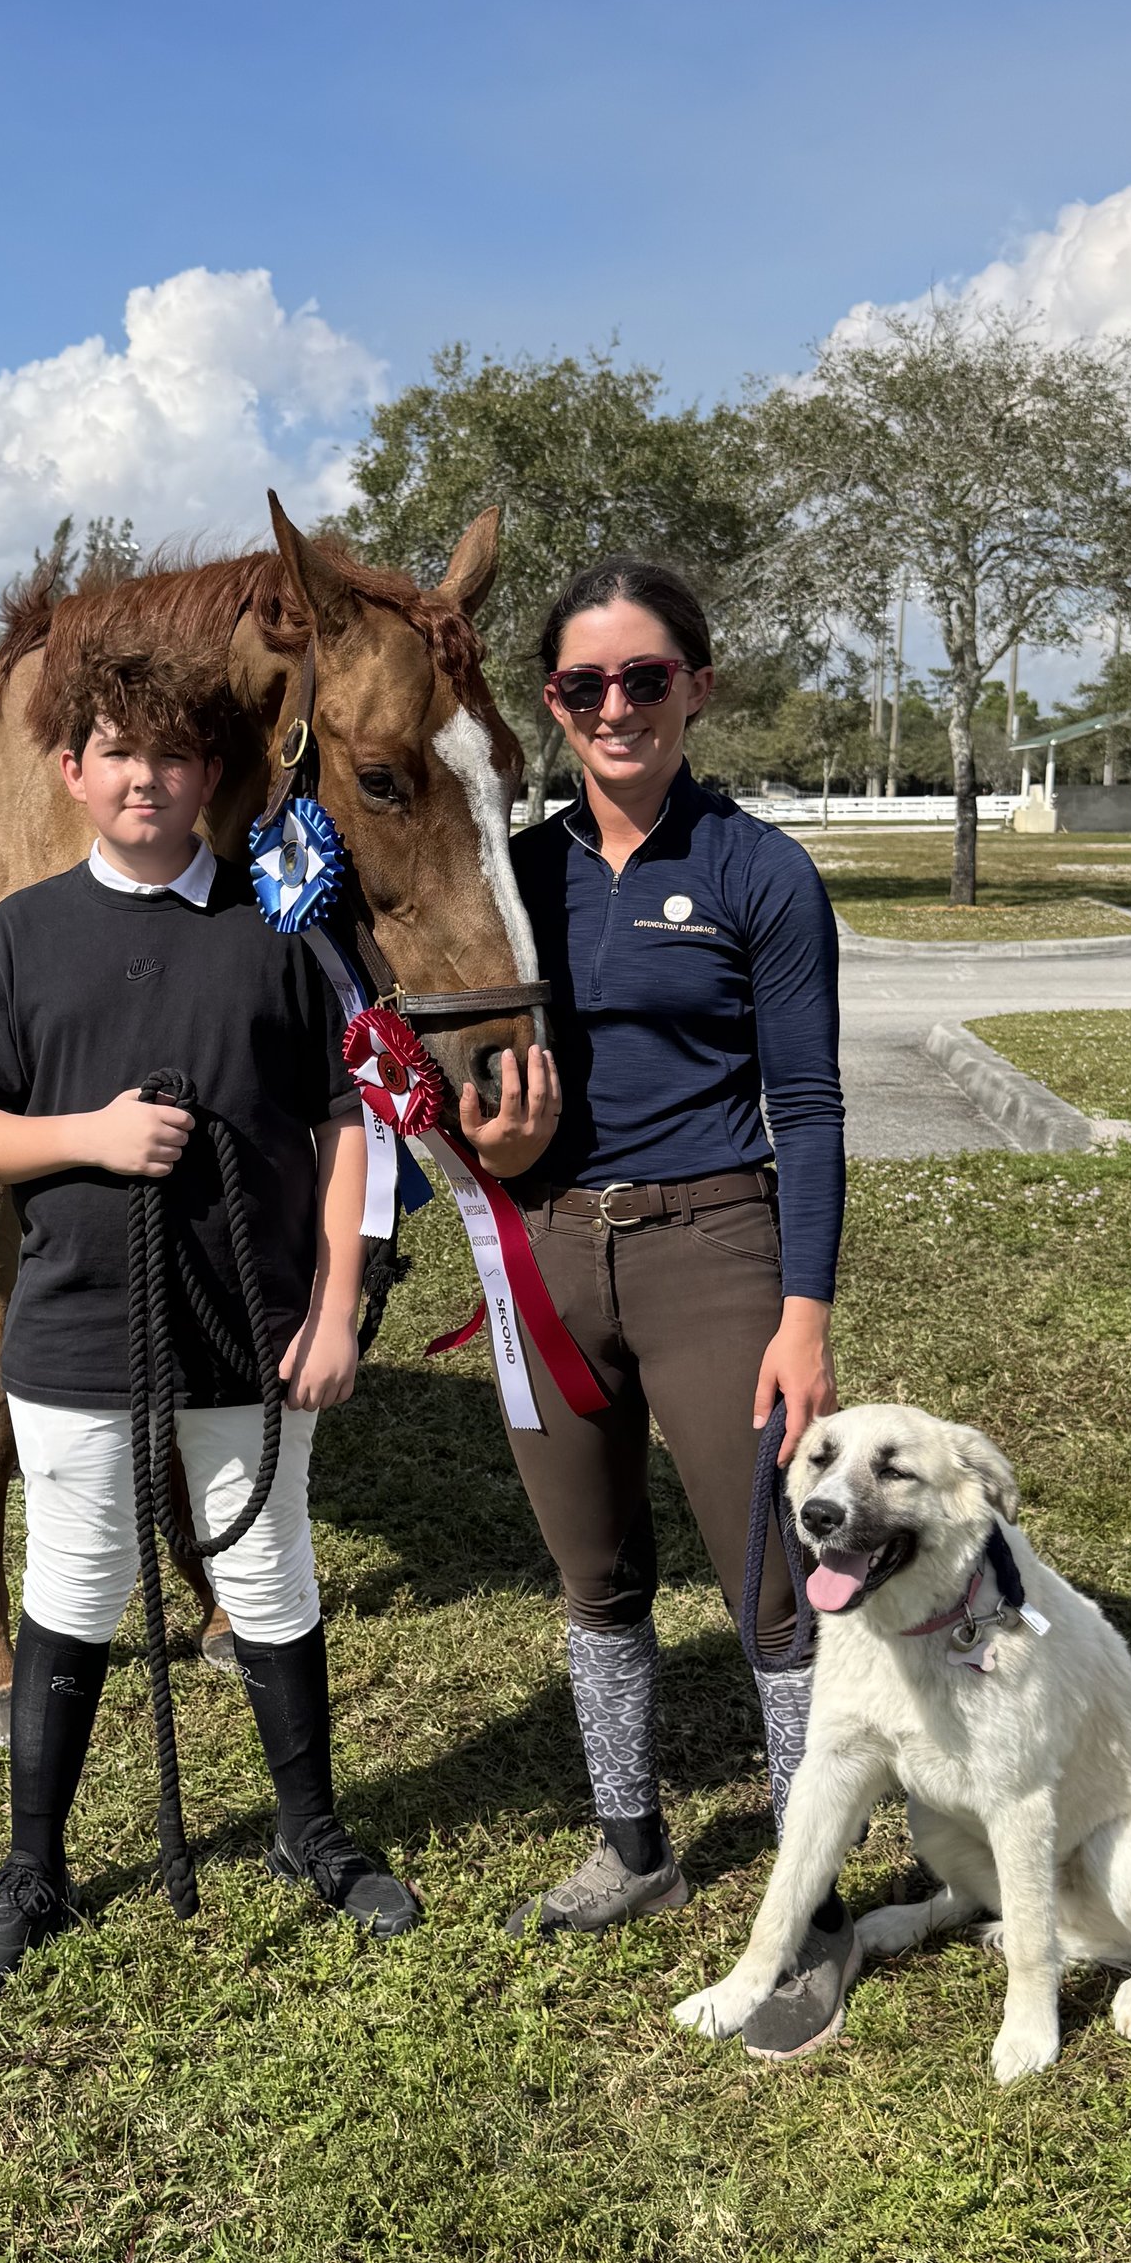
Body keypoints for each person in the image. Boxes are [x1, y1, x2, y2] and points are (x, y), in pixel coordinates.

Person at [0, 657, 415, 2001]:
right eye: (116, 755)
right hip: (79, 1336)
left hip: (251, 1335)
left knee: (267, 1576)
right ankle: (35, 1866)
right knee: (77, 1588)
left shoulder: (278, 930)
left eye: (176, 757)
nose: (148, 779)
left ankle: (312, 1832)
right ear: (71, 770)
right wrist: (91, 1134)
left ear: (213, 777)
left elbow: (342, 1122)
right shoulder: (18, 937)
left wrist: (333, 1309)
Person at [458, 557, 857, 2058]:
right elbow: (455, 1046)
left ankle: (809, 1911)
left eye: (643, 676)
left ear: (697, 682)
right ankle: (633, 1842)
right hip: (551, 1249)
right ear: (551, 705)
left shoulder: (762, 872)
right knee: (592, 1575)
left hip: (717, 1253)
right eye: (582, 685)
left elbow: (808, 1106)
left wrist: (802, 1309)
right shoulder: (523, 873)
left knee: (769, 1589)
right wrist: (483, 1147)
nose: (615, 706)